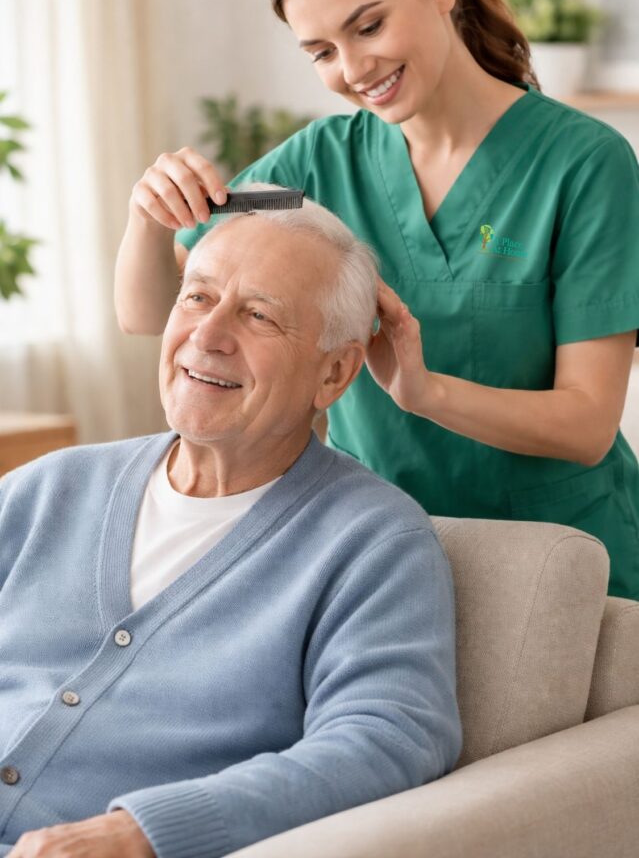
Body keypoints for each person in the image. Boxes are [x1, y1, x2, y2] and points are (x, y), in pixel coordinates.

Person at [114, 0, 639, 601]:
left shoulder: (584, 165)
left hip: (564, 568)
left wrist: (424, 393)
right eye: (321, 51)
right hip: (383, 558)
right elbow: (149, 313)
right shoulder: (312, 166)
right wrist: (147, 215)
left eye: (368, 27)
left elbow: (585, 424)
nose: (354, 70)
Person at [0, 193, 461, 858]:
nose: (207, 335)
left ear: (333, 372)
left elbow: (388, 738)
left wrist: (142, 831)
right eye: (196, 297)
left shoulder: (372, 541)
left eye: (257, 315)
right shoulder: (48, 488)